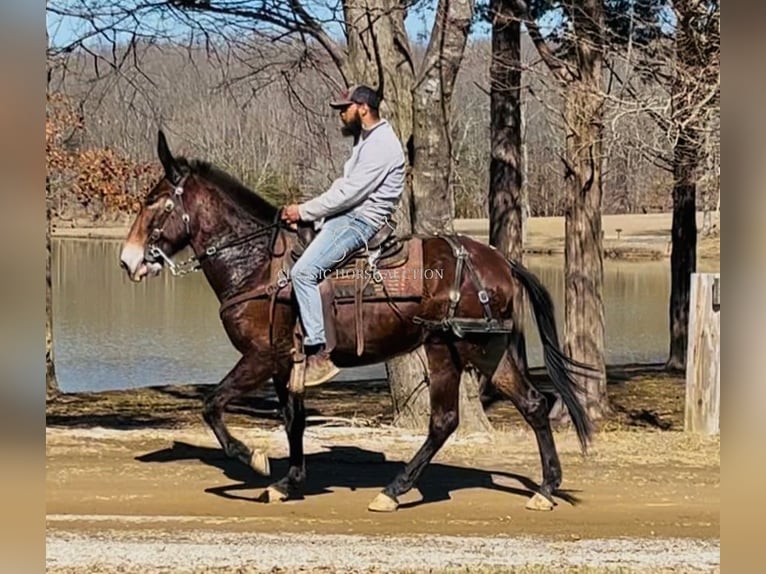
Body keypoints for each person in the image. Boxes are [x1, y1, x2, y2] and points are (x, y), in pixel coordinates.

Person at [280, 84, 406, 387]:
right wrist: (314, 214)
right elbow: (343, 188)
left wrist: (305, 211)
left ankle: (320, 352)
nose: (340, 114)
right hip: (347, 216)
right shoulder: (367, 140)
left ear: (362, 108)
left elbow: (350, 194)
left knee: (304, 273)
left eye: (344, 109)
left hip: (360, 222)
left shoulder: (381, 145)